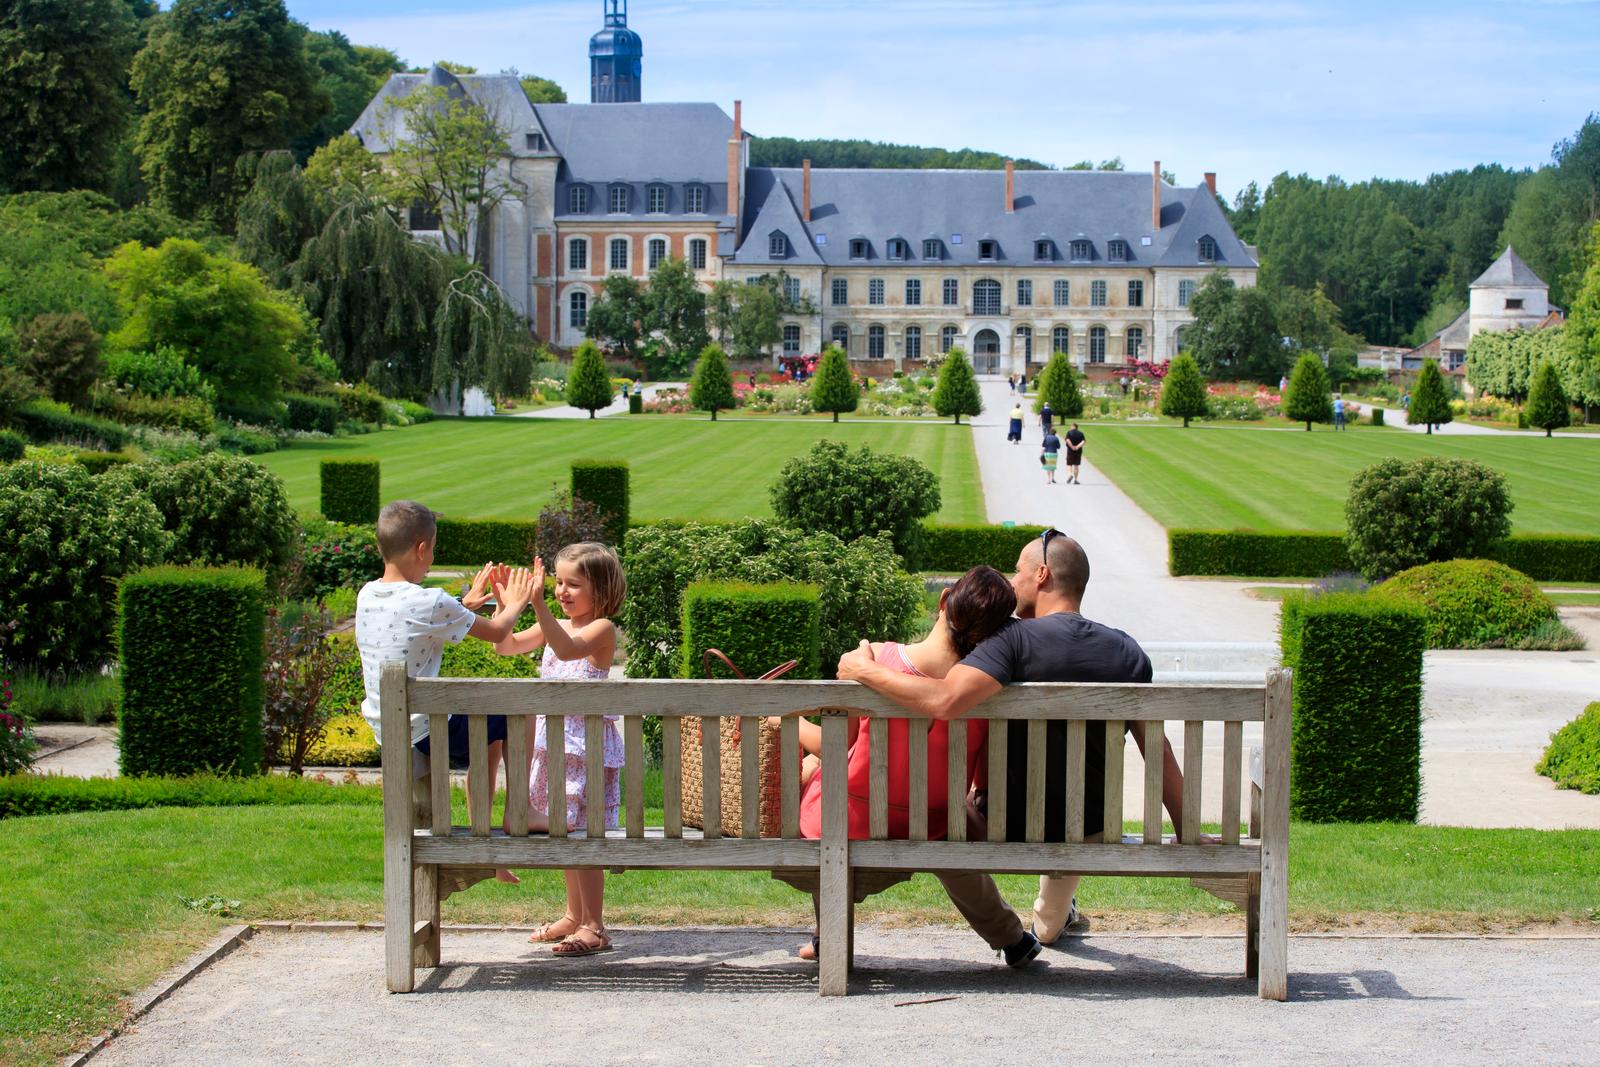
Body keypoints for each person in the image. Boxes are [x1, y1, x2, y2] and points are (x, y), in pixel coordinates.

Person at [837, 530, 1189, 965]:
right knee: (1069, 809)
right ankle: (1053, 917)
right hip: (1094, 827)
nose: (1012, 582)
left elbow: (944, 700)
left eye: (1018, 571)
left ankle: (1016, 933)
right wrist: (1190, 831)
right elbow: (1160, 753)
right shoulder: (1128, 652)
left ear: (1042, 575)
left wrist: (863, 670)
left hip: (1009, 824)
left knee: (947, 813)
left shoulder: (1010, 641)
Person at [356, 501, 535, 885]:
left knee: (486, 730)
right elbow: (499, 631)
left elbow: (413, 620)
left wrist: (463, 604)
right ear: (422, 548)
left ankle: (485, 844)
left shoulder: (367, 595)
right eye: (433, 550)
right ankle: (509, 819)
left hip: (390, 732)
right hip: (424, 735)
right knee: (507, 713)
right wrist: (518, 601)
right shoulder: (430, 600)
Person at [493, 542, 627, 957]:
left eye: (574, 584)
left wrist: (537, 606)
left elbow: (568, 650)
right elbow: (506, 645)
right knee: (564, 828)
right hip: (553, 748)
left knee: (583, 834)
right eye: (557, 582)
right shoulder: (556, 625)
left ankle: (594, 925)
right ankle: (573, 914)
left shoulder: (601, 629)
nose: (561, 592)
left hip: (583, 749)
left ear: (601, 592)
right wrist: (507, 604)